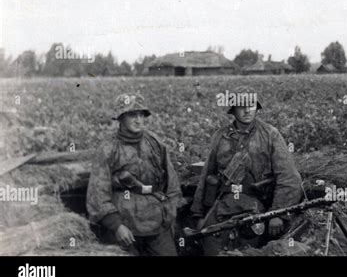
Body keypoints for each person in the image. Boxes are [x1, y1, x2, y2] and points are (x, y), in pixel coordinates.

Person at [190, 85, 303, 255]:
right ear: (233, 110)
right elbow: (207, 175)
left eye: (251, 105)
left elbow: (289, 178)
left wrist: (277, 214)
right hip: (223, 205)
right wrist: (199, 215)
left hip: (254, 208)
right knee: (210, 247)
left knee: (247, 251)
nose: (247, 110)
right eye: (241, 106)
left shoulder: (270, 135)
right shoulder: (221, 136)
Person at [86, 93, 182, 256]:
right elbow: (98, 193)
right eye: (132, 115)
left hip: (157, 221)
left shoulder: (155, 142)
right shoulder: (108, 148)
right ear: (121, 118)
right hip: (125, 223)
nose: (138, 120)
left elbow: (171, 182)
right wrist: (116, 226)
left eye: (141, 115)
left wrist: (170, 211)